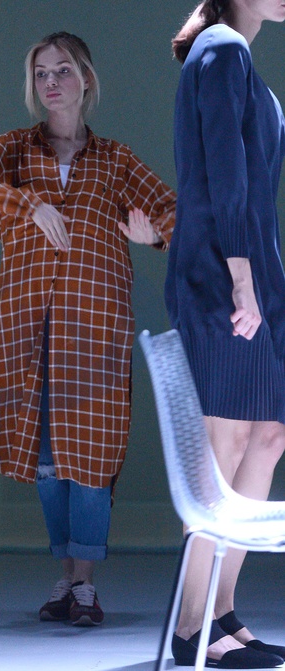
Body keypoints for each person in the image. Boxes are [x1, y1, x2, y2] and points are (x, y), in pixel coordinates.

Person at [0, 31, 175, 626]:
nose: (51, 82)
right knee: (48, 465)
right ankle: (68, 578)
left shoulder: (115, 160)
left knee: (92, 461)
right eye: (41, 73)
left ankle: (83, 584)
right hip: (27, 332)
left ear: (86, 79)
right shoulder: (13, 150)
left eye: (63, 70)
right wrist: (28, 203)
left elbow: (173, 212)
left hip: (95, 331)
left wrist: (155, 235)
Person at [165, 0, 285, 667]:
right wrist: (241, 278)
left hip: (250, 279)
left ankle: (222, 610)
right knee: (225, 447)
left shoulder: (234, 55)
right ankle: (191, 626)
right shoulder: (222, 49)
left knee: (267, 436)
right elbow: (223, 174)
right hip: (221, 279)